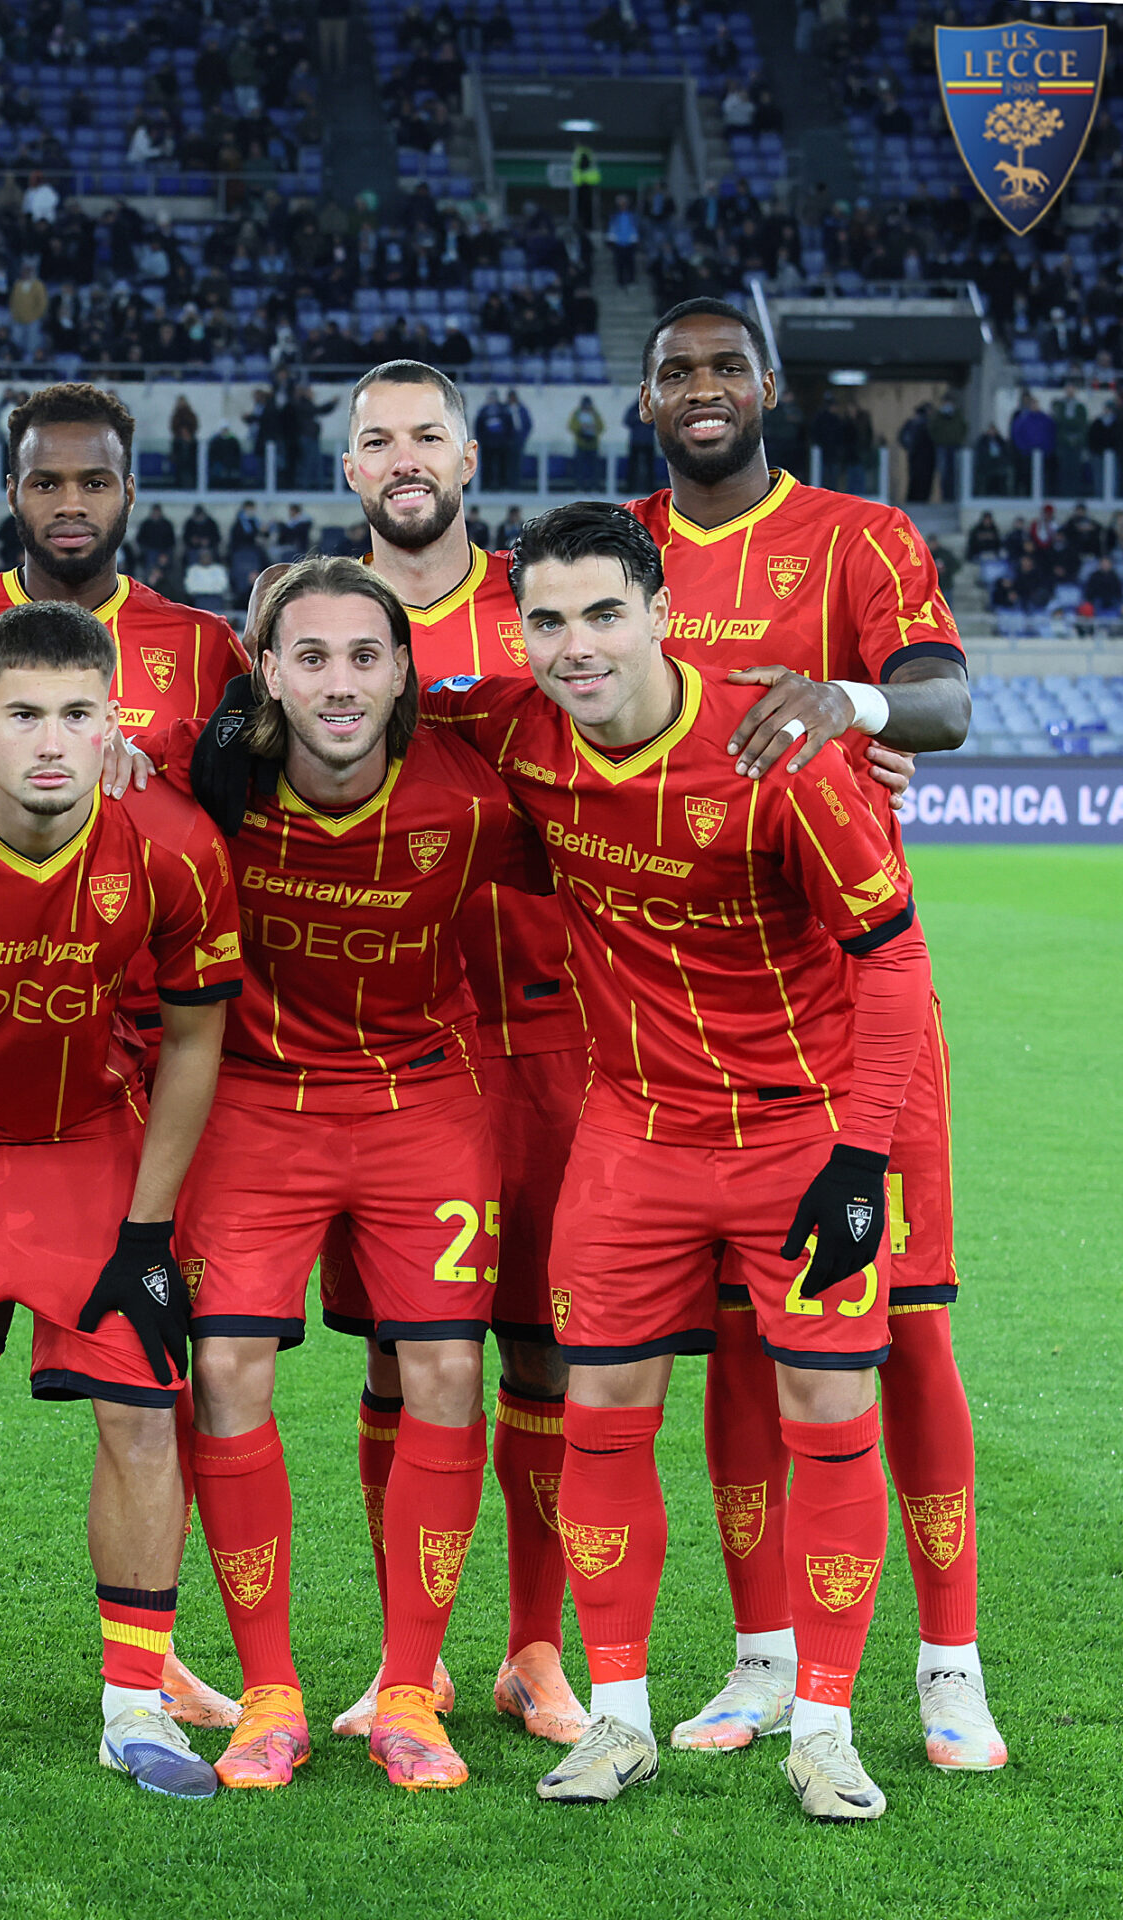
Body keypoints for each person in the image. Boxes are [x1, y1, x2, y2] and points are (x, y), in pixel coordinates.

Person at [427, 501, 932, 1823]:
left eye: (605, 613)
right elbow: (357, 707)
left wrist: (859, 1162)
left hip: (797, 1137)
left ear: (661, 612)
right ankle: (619, 1721)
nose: (577, 646)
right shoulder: (516, 730)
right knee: (600, 1416)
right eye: (548, 621)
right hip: (633, 1138)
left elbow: (893, 963)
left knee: (829, 1417)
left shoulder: (776, 754)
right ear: (519, 633)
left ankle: (824, 1729)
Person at [0, 384, 253, 1731]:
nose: (69, 503)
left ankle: (149, 1659)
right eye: (45, 481)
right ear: (10, 489)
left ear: (131, 490)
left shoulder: (202, 645)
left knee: (149, 1375)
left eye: (94, 481)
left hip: (121, 1074)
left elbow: (241, 812)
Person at [627, 296, 998, 1773]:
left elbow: (944, 702)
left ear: (768, 385)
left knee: (906, 1329)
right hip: (694, 1026)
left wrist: (849, 707)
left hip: (855, 1005)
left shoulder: (858, 538)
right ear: (645, 402)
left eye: (725, 365)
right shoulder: (619, 555)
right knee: (742, 1342)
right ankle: (762, 1658)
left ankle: (950, 1667)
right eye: (676, 372)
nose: (703, 387)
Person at [152, 556, 547, 1792]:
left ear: (401, 674)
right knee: (225, 1367)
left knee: (445, 1368)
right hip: (254, 1103)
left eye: (364, 657)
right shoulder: (197, 778)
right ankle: (268, 1691)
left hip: (421, 1101)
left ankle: (408, 1690)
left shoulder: (470, 796)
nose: (339, 682)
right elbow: (26, 758)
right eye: (311, 657)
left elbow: (608, 822)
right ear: (265, 673)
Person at [310, 361, 594, 1745]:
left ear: (470, 457)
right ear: (349, 469)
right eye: (378, 440)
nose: (404, 457)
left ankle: (534, 1650)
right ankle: (399, 1661)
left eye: (427, 434)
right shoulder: (319, 622)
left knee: (539, 1351)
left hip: (547, 1039)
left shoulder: (538, 610)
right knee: (396, 1357)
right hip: (380, 1052)